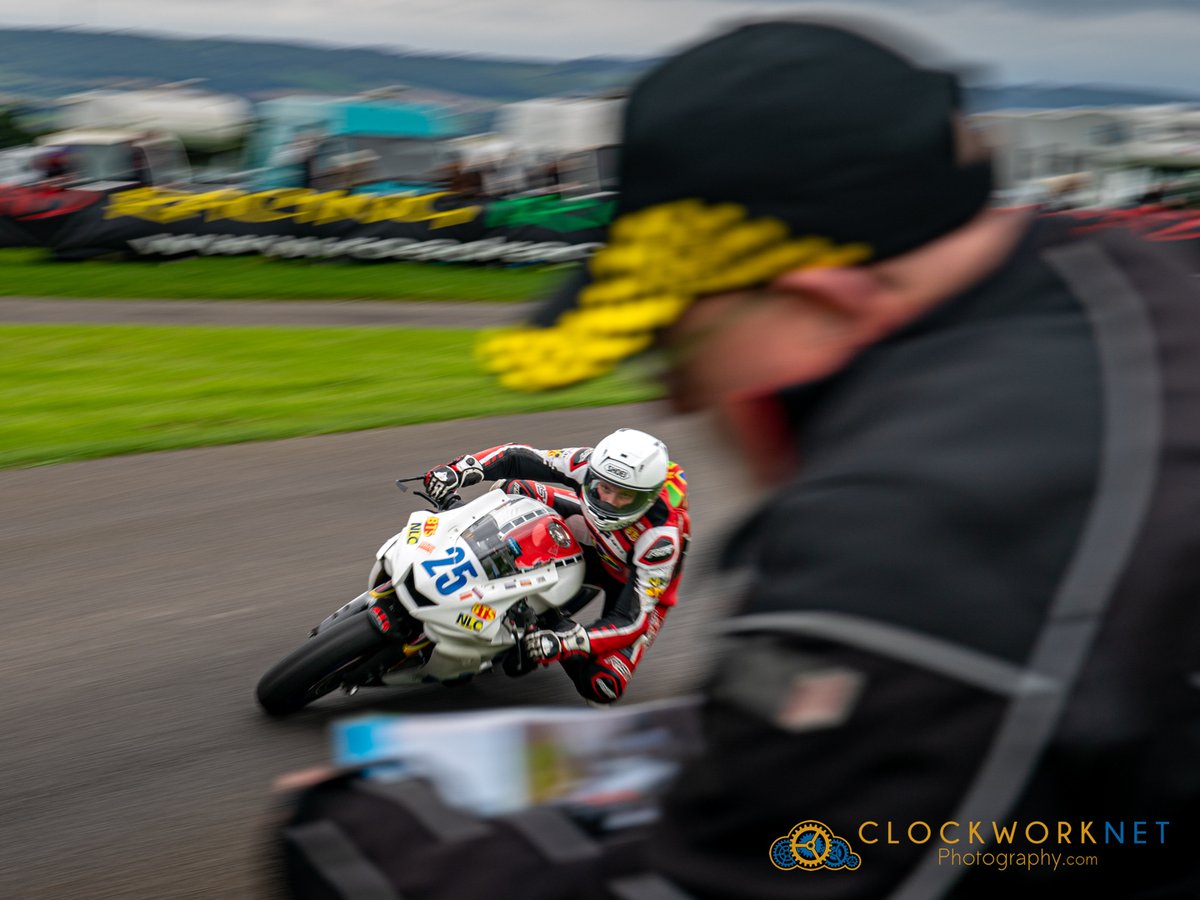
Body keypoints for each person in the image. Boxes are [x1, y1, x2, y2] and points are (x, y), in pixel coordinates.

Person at [278, 17, 1199, 900]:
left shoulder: (906, 547)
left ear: (819, 300)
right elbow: (897, 735)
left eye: (682, 341)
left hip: (613, 609)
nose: (681, 395)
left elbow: (749, 866)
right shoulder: (1134, 274)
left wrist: (354, 836)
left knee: (601, 683)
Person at [422, 427, 690, 705]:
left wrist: (571, 640)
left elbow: (632, 620)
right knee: (512, 488)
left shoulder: (660, 539)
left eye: (624, 496)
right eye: (604, 488)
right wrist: (461, 469)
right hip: (589, 533)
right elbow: (519, 456)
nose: (608, 501)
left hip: (630, 584)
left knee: (603, 685)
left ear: (646, 499)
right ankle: (456, 540)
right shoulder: (587, 464)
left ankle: (546, 619)